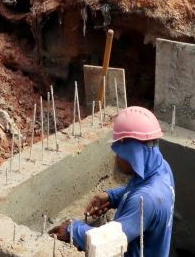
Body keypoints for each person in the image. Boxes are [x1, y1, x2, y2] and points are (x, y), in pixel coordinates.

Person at [50, 106, 175, 256]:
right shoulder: (162, 168)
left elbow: (105, 242)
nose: (116, 158)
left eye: (119, 152)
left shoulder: (145, 201)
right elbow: (140, 191)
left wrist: (72, 229)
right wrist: (112, 197)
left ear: (132, 153)